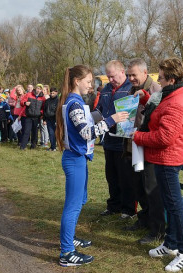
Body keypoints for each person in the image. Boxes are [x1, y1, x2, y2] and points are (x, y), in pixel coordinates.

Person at [56, 65, 128, 267]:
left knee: (79, 202)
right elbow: (87, 133)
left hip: (78, 158)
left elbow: (84, 125)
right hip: (74, 159)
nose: (91, 86)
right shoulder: (74, 103)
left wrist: (102, 117)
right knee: (73, 205)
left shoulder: (75, 101)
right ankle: (67, 252)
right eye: (88, 82)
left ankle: (69, 239)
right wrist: (112, 120)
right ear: (76, 81)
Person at [132, 57, 183, 272]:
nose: (157, 79)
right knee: (170, 204)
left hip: (168, 158)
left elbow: (164, 138)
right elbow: (159, 110)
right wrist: (146, 99)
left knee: (175, 207)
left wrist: (138, 137)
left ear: (170, 79)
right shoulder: (170, 94)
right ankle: (171, 244)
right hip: (162, 157)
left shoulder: (177, 102)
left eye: (160, 76)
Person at [123, 58, 165, 245]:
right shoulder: (132, 90)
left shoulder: (155, 90)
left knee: (151, 189)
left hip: (149, 146)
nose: (131, 78)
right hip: (134, 145)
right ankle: (144, 219)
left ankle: (156, 229)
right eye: (129, 75)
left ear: (145, 73)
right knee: (138, 187)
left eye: (134, 74)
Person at [95, 60, 135, 218]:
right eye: (108, 77)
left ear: (122, 71)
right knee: (111, 176)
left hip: (124, 140)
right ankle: (113, 206)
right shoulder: (105, 89)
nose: (110, 80)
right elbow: (99, 109)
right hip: (108, 140)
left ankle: (128, 209)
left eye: (112, 76)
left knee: (125, 176)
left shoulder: (130, 88)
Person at [20, 84, 45, 150]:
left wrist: (41, 113)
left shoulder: (42, 98)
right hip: (28, 116)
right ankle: (23, 146)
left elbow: (43, 107)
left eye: (40, 89)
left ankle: (33, 146)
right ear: (35, 88)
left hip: (37, 117)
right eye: (37, 88)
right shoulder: (29, 94)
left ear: (41, 90)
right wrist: (25, 103)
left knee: (35, 132)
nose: (38, 90)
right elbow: (21, 102)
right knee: (26, 131)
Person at [43, 87, 59, 151]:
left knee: (56, 133)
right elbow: (45, 110)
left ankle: (57, 146)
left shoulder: (58, 100)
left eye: (53, 93)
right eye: (51, 93)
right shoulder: (47, 101)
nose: (52, 94)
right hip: (48, 119)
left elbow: (59, 111)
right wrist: (44, 119)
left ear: (56, 93)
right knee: (51, 133)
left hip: (55, 119)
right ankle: (53, 147)